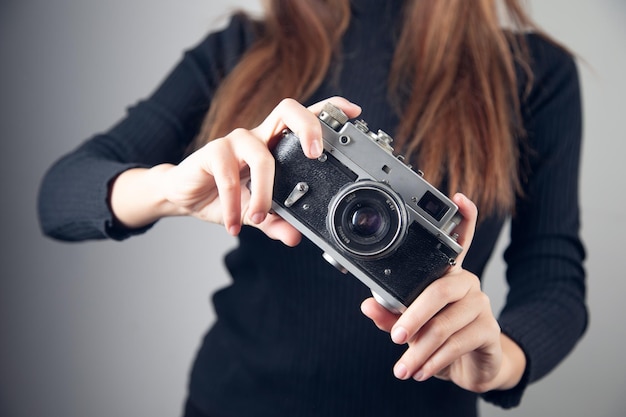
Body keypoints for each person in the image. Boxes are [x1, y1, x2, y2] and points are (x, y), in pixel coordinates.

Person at [37, 0, 588, 416]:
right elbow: (60, 194)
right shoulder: (246, 48)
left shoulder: (532, 73)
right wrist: (170, 188)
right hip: (235, 399)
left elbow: (554, 280)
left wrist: (496, 361)